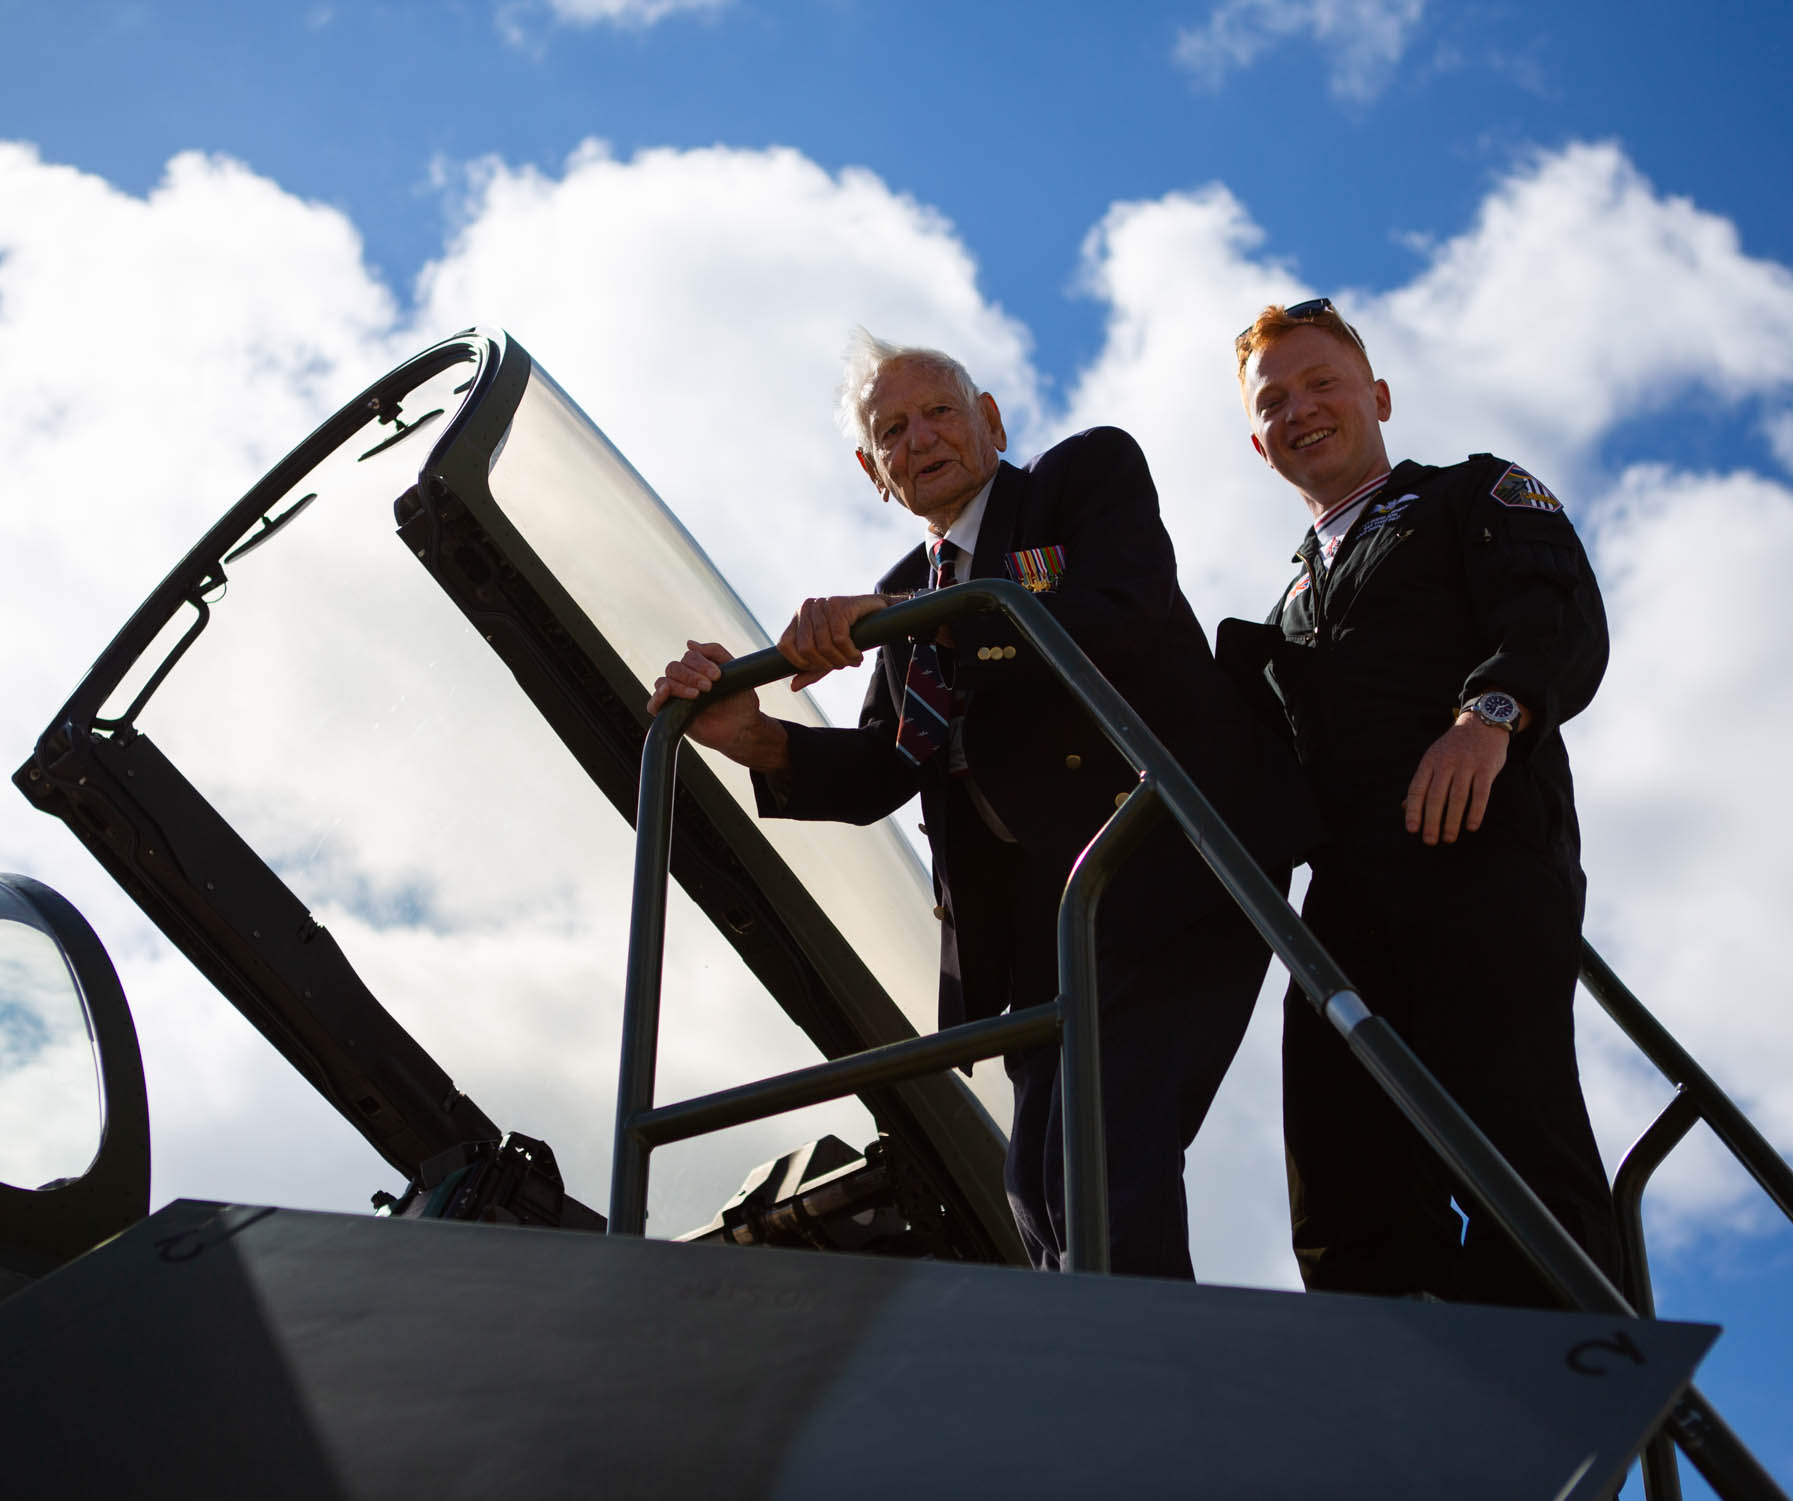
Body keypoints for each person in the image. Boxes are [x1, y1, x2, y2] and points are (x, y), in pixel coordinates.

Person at [648, 331, 1284, 1279]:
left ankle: (1153, 1393)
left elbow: (1119, 611)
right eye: (892, 430)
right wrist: (750, 733)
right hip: (1040, 940)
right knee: (1031, 1185)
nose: (923, 439)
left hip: (1163, 872)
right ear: (873, 471)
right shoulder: (909, 595)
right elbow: (880, 768)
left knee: (1097, 1170)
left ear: (989, 418)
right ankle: (1098, 1386)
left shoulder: (1081, 480)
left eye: (941, 411)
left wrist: (918, 618)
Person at [1231, 298, 1626, 1310]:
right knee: (1339, 1171)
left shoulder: (1470, 496)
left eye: (1322, 383)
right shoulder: (1285, 606)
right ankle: (1402, 1417)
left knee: (1508, 1143)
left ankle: (1569, 1414)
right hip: (1348, 904)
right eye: (1273, 400)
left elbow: (1553, 613)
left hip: (1481, 863)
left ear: (1378, 397)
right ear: (1255, 441)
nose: (1300, 409)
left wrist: (1486, 715)